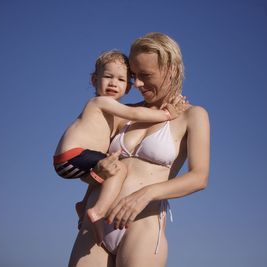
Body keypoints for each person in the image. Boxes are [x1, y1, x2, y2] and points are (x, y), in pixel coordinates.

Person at [67, 33, 210, 267]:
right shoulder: (121, 112)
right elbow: (88, 165)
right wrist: (95, 173)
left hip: (142, 225)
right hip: (96, 222)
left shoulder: (193, 116)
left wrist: (146, 194)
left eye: (146, 75)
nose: (138, 84)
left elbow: (199, 178)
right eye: (134, 76)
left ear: (171, 70)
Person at [53, 50, 185, 244]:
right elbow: (136, 114)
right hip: (72, 156)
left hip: (75, 159)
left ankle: (83, 205)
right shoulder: (101, 102)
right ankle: (97, 211)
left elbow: (98, 174)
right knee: (119, 168)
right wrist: (166, 115)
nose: (114, 83)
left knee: (109, 163)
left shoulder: (110, 114)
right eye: (108, 77)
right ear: (94, 80)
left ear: (128, 87)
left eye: (121, 80)